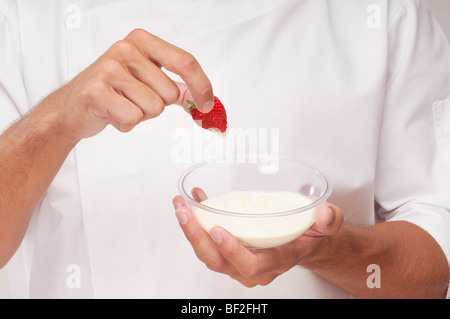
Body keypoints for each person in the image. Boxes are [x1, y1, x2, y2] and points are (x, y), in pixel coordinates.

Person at [0, 0, 449, 299]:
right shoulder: (29, 16)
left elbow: (436, 261)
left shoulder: (382, 14)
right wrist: (54, 122)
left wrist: (328, 249)